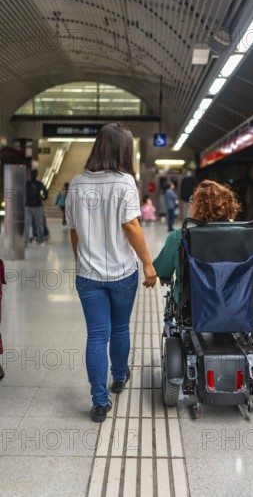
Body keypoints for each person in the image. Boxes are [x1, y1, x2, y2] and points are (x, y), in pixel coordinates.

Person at [65, 123, 157, 423]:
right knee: (119, 329)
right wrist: (147, 262)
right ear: (122, 150)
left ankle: (99, 402)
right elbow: (131, 226)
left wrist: (81, 261)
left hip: (88, 275)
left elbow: (74, 232)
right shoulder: (125, 182)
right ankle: (118, 377)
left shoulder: (76, 184)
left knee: (96, 336)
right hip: (121, 273)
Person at [153, 180, 253, 304]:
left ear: (200, 208)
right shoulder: (247, 236)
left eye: (192, 201)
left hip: (190, 310)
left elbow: (161, 270)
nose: (189, 205)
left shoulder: (179, 237)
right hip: (238, 311)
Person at [25, 169, 48, 246]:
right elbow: (46, 193)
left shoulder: (26, 184)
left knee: (27, 224)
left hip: (28, 206)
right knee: (39, 224)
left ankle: (25, 242)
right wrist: (43, 198)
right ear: (36, 175)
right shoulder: (39, 184)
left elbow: (21, 193)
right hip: (37, 206)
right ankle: (40, 240)